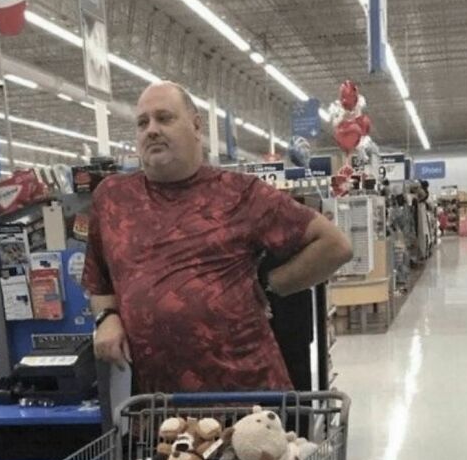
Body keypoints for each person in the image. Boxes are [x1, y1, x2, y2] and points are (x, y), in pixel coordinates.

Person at [82, 81, 353, 393]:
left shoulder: (240, 193)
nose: (151, 130)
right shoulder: (113, 199)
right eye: (143, 123)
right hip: (160, 410)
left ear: (197, 126)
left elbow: (335, 245)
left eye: (164, 118)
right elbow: (98, 278)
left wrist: (269, 285)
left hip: (246, 398)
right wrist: (106, 316)